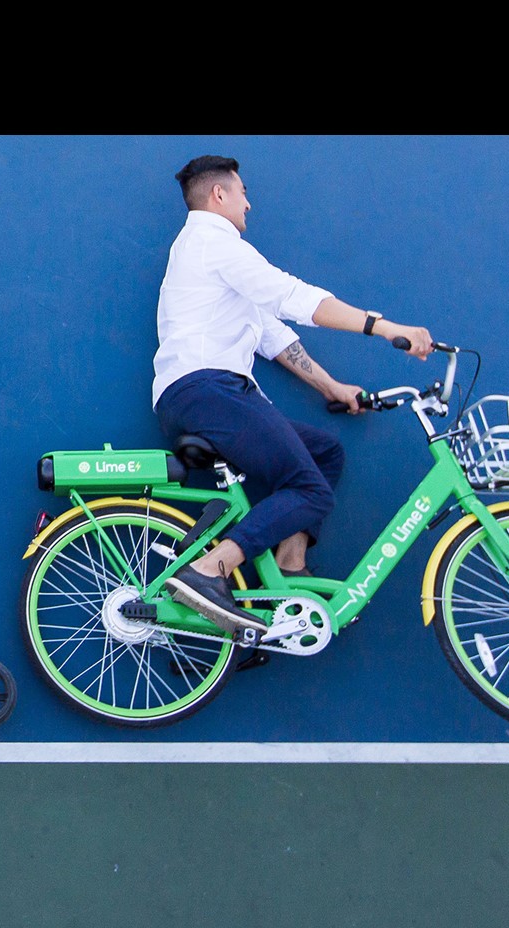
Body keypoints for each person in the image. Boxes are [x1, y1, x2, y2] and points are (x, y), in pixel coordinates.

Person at [152, 155, 435, 632]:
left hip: (201, 394)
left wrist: (333, 387)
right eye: (242, 192)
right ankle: (208, 570)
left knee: (324, 453)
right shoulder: (212, 241)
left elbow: (271, 333)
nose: (249, 202)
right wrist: (385, 328)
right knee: (309, 488)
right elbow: (295, 297)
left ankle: (288, 569)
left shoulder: (210, 260)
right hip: (209, 389)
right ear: (219, 195)